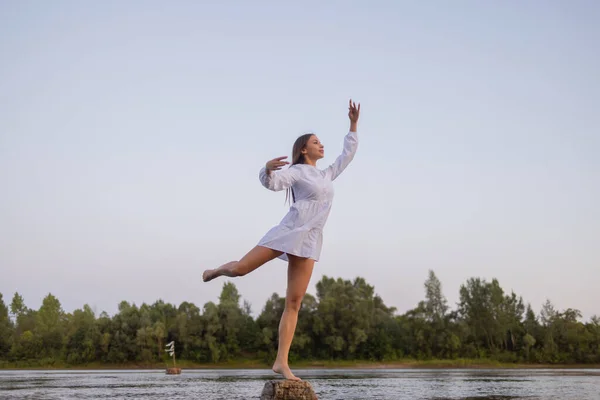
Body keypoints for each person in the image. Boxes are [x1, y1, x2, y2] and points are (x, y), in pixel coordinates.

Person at [202, 99, 361, 380]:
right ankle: (216, 271)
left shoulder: (326, 174)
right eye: (316, 142)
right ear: (303, 149)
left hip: (310, 240)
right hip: (289, 231)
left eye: (321, 142)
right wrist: (267, 169)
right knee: (240, 269)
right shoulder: (297, 172)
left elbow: (346, 156)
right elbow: (273, 183)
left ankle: (281, 362)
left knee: (294, 303)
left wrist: (353, 125)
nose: (321, 145)